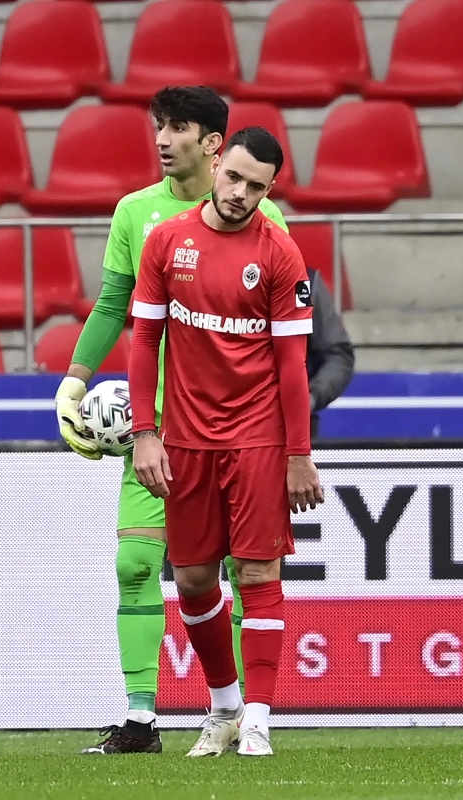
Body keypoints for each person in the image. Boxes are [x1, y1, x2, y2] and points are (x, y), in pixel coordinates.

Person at [53, 86, 288, 755]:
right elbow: (112, 306)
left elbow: (284, 338)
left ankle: (248, 714)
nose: (161, 138)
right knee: (137, 563)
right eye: (158, 126)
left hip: (240, 431)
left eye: (177, 127)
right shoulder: (136, 213)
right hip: (157, 427)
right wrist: (74, 381)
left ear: (214, 143)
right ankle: (140, 718)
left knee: (247, 574)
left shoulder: (270, 222)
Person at [128, 127, 325, 757]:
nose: (241, 193)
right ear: (216, 164)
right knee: (190, 579)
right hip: (184, 439)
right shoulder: (167, 240)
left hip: (258, 438)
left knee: (258, 570)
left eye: (256, 186)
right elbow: (143, 342)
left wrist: (299, 454)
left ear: (271, 189)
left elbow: (292, 365)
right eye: (234, 177)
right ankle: (223, 704)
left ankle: (260, 717)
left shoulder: (279, 253)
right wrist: (144, 433)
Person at [305, 268, 355, 437]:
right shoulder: (218, 279)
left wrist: (311, 396)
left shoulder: (304, 283)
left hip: (289, 439)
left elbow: (338, 356)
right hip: (223, 431)